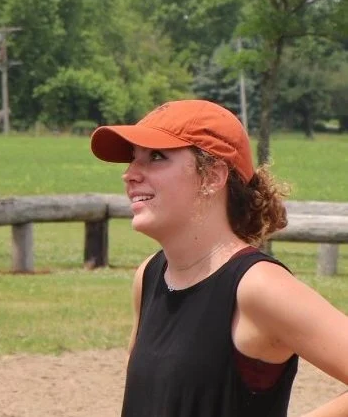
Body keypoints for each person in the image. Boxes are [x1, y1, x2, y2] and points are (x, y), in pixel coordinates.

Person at [90, 99, 348, 417]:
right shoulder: (148, 276)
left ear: (212, 176)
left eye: (156, 156)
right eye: (133, 157)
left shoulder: (257, 286)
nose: (129, 174)